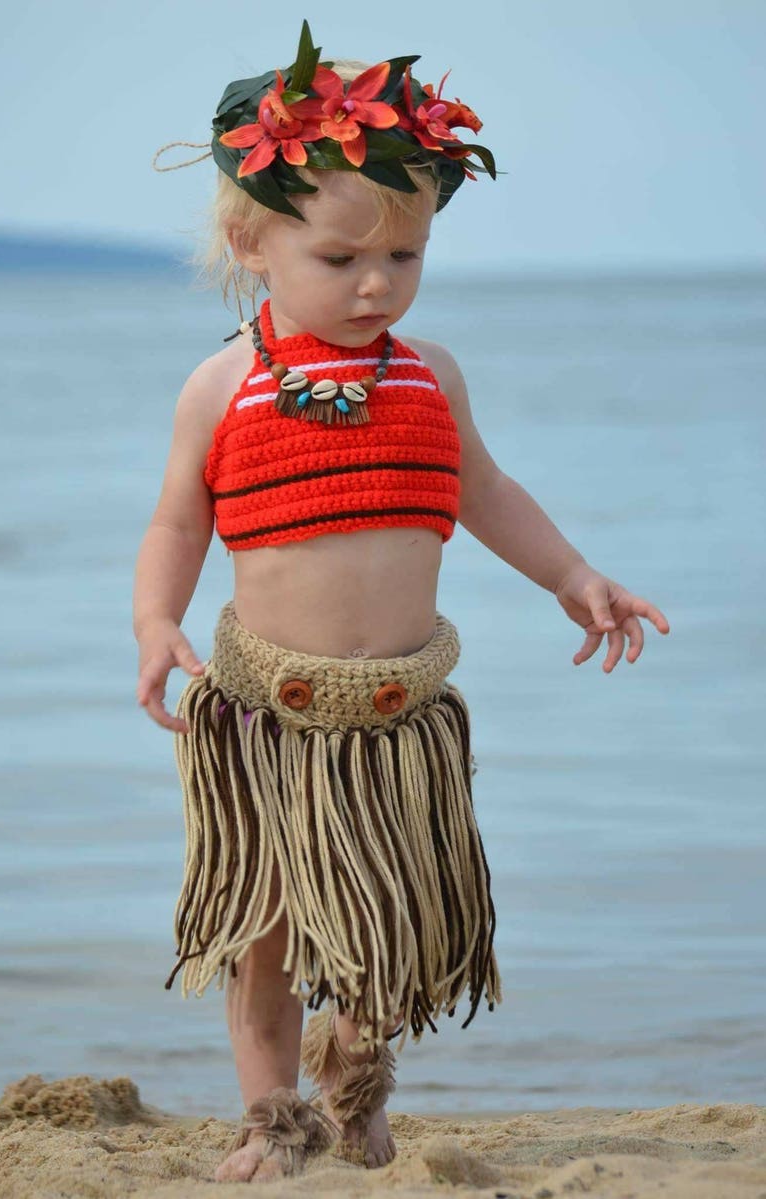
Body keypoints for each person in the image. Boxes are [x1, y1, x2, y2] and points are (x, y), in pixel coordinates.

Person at [134, 22, 670, 1186]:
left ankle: (361, 1101)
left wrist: (573, 576)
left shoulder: (430, 375)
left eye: (407, 257)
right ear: (252, 238)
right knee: (266, 938)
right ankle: (272, 1121)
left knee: (382, 930)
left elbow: (484, 489)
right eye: (339, 261)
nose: (376, 283)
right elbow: (178, 521)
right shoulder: (222, 387)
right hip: (265, 715)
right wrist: (152, 623)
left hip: (396, 719)